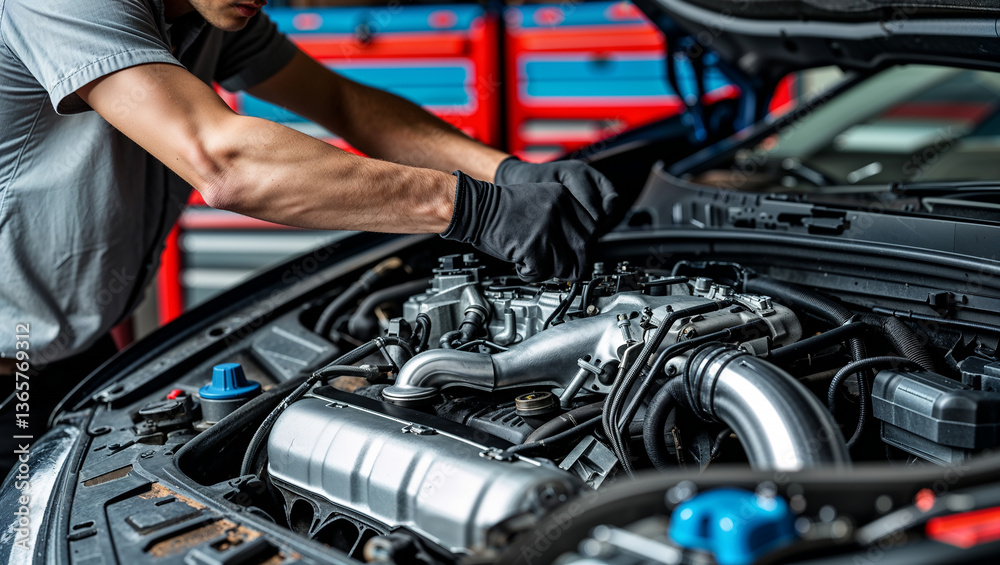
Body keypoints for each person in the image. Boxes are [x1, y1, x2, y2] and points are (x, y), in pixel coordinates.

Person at [0, 0, 618, 475]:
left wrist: (506, 172)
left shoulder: (214, 14)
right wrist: (472, 208)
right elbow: (225, 163)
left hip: (64, 342)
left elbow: (343, 103)